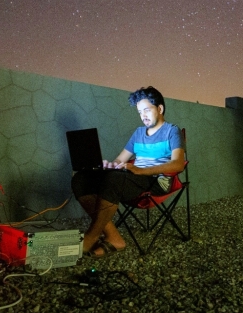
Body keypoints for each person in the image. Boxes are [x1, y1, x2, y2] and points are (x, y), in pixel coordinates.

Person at [71, 86, 185, 257]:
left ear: (160, 109)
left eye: (147, 110)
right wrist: (110, 165)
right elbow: (120, 160)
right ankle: (113, 237)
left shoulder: (172, 131)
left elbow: (178, 165)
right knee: (81, 178)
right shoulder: (138, 133)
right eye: (140, 112)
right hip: (133, 177)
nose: (143, 116)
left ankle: (91, 236)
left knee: (114, 181)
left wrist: (141, 170)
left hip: (157, 180)